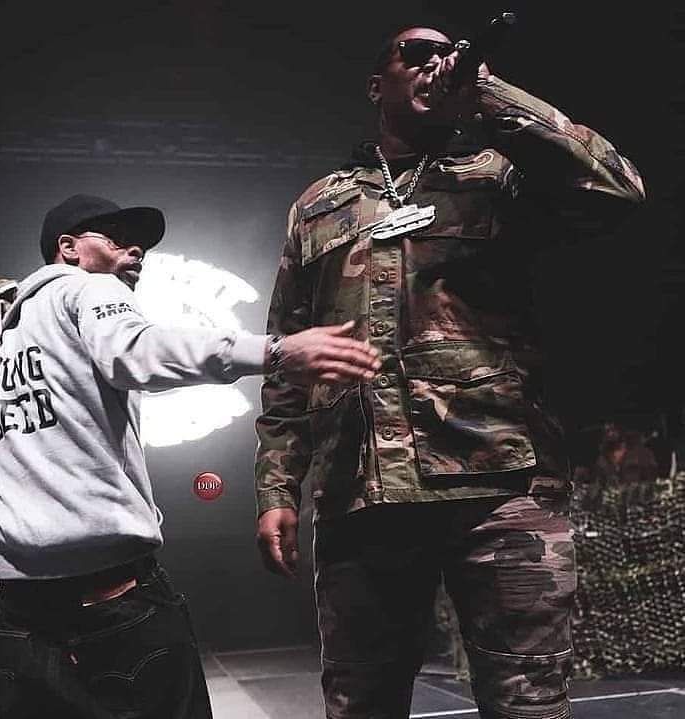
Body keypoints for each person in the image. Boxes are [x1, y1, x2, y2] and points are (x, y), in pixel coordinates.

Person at [255, 25, 645, 719]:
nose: (435, 62)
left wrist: (487, 93)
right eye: (414, 53)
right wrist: (276, 486)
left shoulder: (502, 176)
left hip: (500, 485)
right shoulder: (318, 207)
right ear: (376, 85)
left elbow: (617, 187)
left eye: (446, 54)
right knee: (361, 703)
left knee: (529, 703)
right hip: (360, 493)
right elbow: (287, 352)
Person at [0, 193, 380, 719]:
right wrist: (274, 351)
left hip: (17, 607)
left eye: (139, 245)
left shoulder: (8, 332)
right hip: (107, 597)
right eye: (116, 239)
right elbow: (138, 353)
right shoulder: (88, 287)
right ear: (69, 248)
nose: (134, 251)